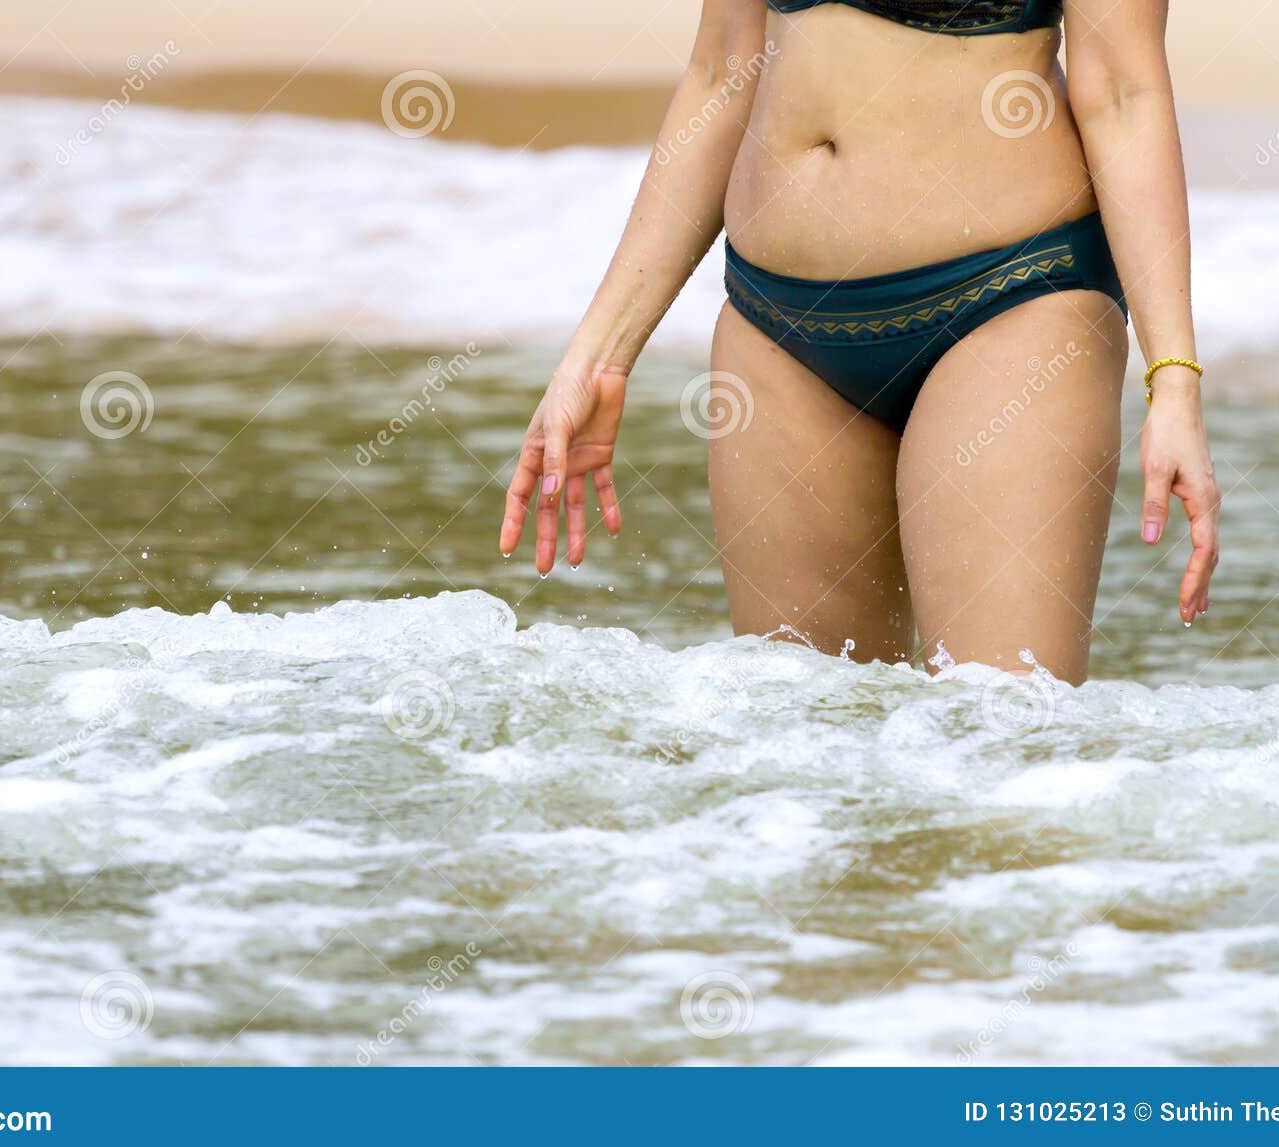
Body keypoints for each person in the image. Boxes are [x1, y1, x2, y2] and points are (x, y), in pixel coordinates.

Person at [498, 0, 1219, 684]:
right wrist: (598, 356)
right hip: (779, 330)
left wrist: (1174, 381)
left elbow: (1123, 91)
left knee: (1005, 753)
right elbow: (722, 69)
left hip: (1010, 300)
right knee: (808, 763)